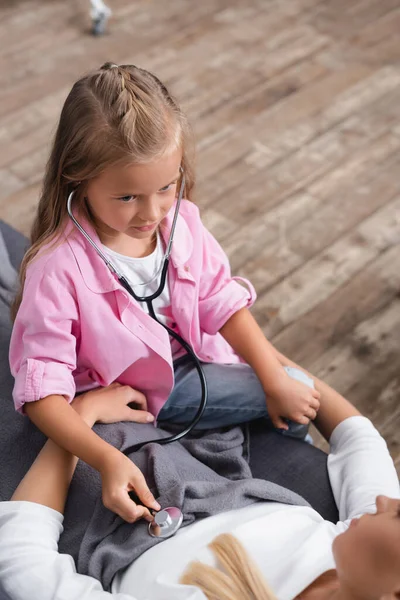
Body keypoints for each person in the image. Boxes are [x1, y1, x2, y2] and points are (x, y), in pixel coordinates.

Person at [9, 61, 324, 524]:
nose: (152, 211)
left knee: (289, 389)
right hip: (137, 393)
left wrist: (272, 378)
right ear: (77, 176)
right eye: (127, 197)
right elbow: (40, 392)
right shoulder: (56, 270)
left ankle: (285, 453)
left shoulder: (181, 221)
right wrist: (104, 458)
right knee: (302, 392)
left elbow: (221, 299)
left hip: (195, 362)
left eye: (166, 187)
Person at [0, 366, 398, 600]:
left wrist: (76, 421)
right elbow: (358, 436)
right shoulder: (355, 551)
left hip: (52, 474)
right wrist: (272, 370)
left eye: (398, 514)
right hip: (150, 417)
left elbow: (22, 561)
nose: (384, 502)